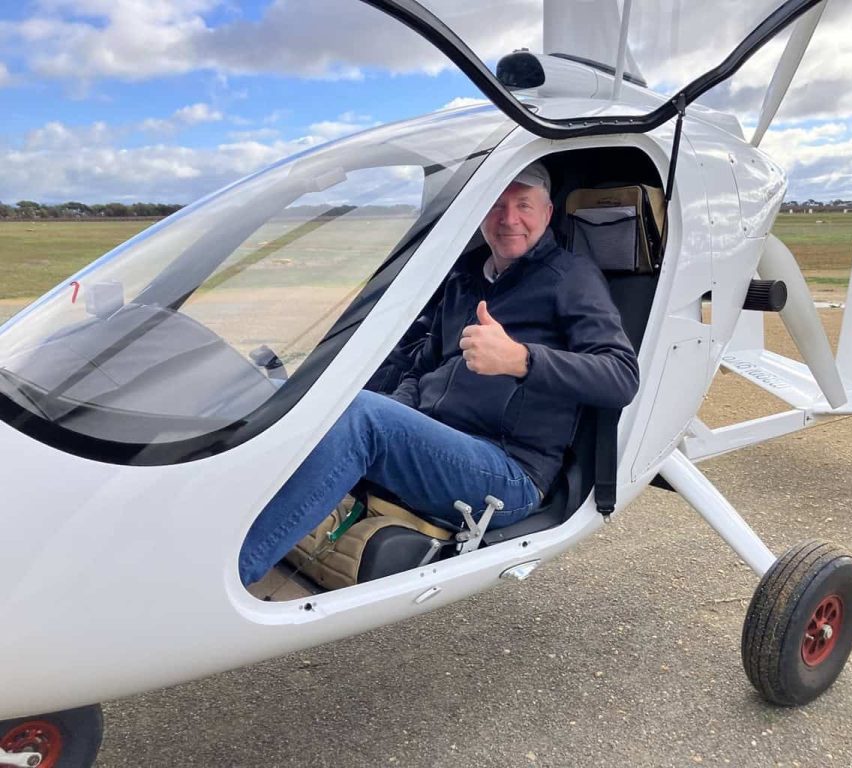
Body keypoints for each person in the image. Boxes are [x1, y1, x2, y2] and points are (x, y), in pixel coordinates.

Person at [238, 162, 640, 586]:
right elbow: (421, 368)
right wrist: (396, 409)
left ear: (547, 213)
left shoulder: (570, 278)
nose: (509, 219)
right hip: (439, 445)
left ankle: (230, 577)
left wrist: (521, 359)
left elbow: (620, 376)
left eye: (524, 205)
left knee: (358, 418)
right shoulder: (465, 279)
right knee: (306, 399)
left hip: (508, 471)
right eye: (497, 205)